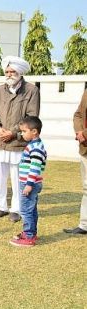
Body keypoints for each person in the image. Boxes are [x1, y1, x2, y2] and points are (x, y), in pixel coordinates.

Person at [0, 56, 40, 222]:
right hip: (0, 140)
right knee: (0, 175)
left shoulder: (31, 90)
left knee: (18, 176)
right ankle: (1, 206)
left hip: (18, 141)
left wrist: (12, 132)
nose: (10, 74)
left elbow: (31, 116)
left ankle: (16, 209)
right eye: (7, 71)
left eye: (13, 71)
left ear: (20, 73)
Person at [10, 116, 47, 247]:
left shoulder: (36, 148)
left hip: (29, 184)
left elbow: (35, 167)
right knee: (31, 209)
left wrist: (29, 184)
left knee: (26, 210)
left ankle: (29, 236)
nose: (22, 134)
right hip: (28, 183)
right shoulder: (33, 145)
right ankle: (31, 233)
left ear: (34, 131)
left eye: (24, 131)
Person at [64, 89, 87, 235]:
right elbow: (78, 114)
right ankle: (84, 224)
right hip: (85, 147)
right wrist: (79, 132)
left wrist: (84, 133)